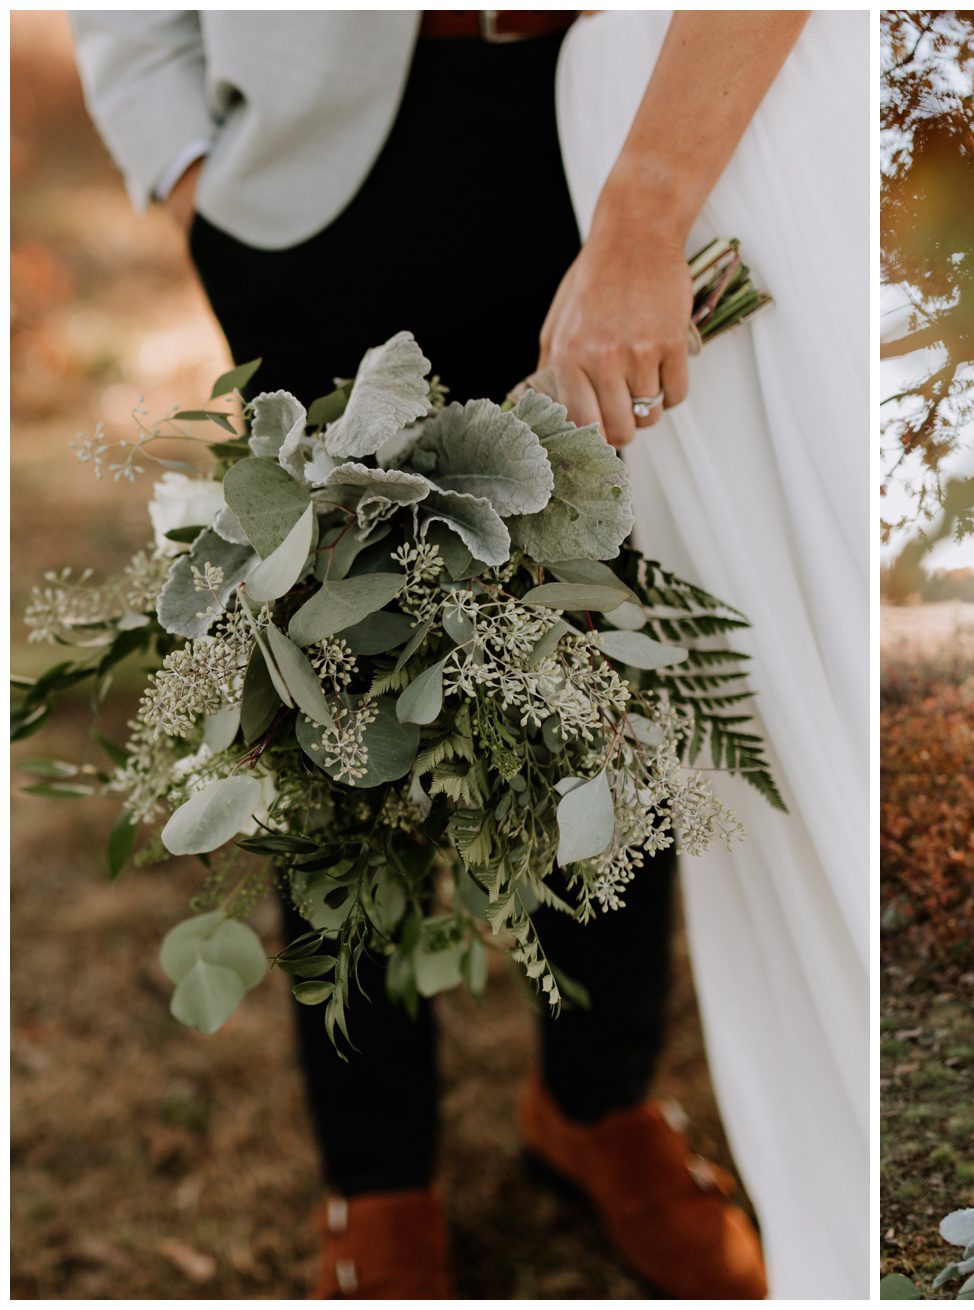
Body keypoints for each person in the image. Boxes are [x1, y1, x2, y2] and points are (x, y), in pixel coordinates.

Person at [67, 9, 837, 1298]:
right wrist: (184, 158)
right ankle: (376, 1176)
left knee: (597, 643)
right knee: (329, 686)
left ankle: (596, 1105)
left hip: (590, 112)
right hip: (310, 176)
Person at [543, 11, 870, 1297]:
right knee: (758, 736)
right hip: (631, 128)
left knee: (821, 669)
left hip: (720, 127)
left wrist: (641, 216)